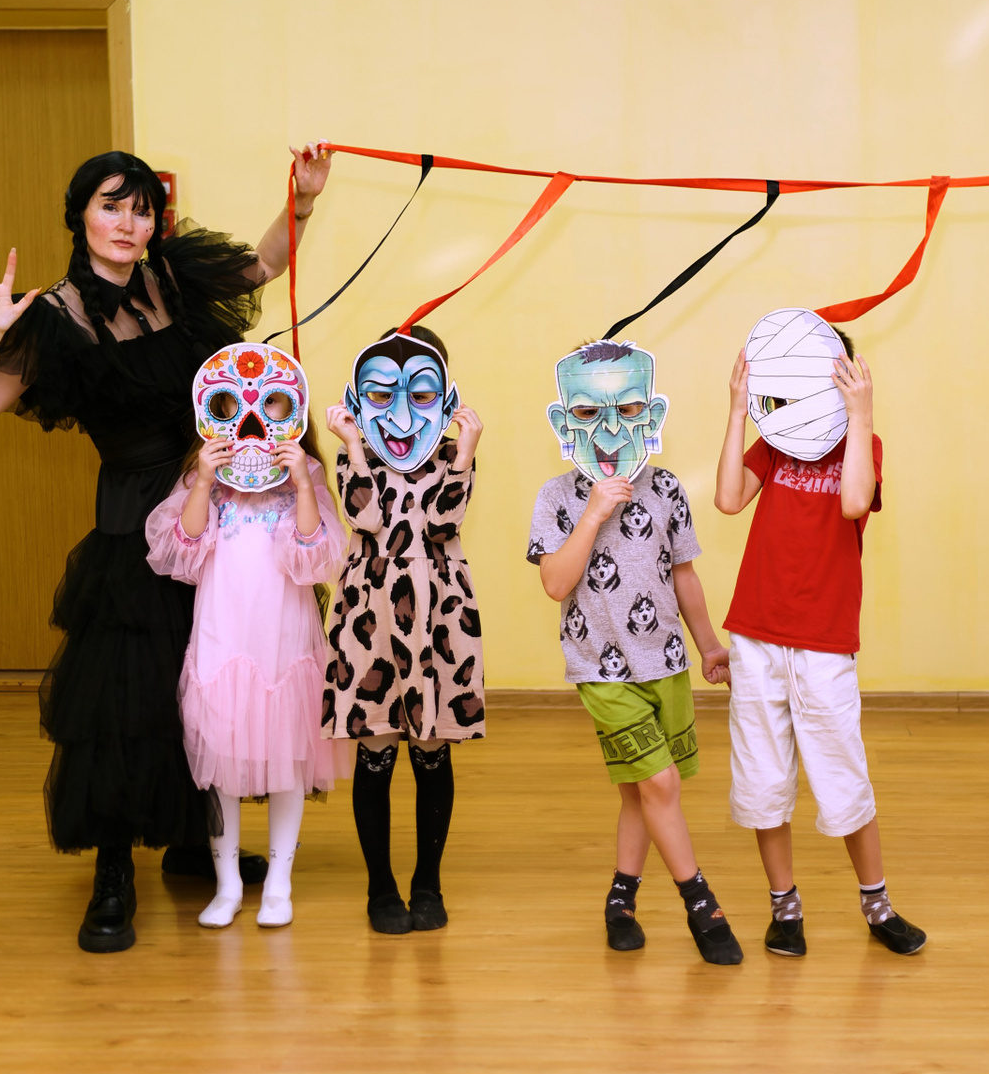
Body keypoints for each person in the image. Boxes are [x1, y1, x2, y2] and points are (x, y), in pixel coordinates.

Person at [0, 143, 332, 952]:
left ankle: (194, 840)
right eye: (111, 205)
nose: (128, 222)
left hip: (222, 512)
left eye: (141, 208)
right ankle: (114, 872)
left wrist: (300, 201)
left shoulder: (172, 282)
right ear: (79, 216)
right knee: (129, 701)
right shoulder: (52, 317)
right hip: (132, 524)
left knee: (212, 681)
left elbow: (263, 264)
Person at [714, 329, 927, 957]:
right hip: (756, 632)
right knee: (763, 778)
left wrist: (862, 415)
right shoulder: (774, 445)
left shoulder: (864, 443)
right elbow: (727, 499)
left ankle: (877, 904)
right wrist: (738, 408)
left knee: (842, 771)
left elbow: (855, 501)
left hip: (824, 638)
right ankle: (785, 907)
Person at [527, 340, 740, 964]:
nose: (610, 428)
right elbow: (555, 583)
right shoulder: (556, 497)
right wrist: (593, 515)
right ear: (565, 420)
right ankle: (702, 906)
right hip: (601, 668)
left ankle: (620, 899)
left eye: (627, 409)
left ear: (652, 414)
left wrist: (708, 646)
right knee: (660, 782)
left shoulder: (666, 488)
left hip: (665, 660)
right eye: (588, 412)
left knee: (640, 792)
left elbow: (684, 575)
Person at [145, 405, 344, 929]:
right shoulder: (209, 476)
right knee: (220, 759)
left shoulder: (303, 473)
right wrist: (203, 479)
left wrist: (302, 483)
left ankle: (279, 882)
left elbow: (313, 556)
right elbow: (183, 548)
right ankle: (227, 883)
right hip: (222, 634)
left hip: (282, 639)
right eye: (237, 403)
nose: (254, 413)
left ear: (292, 407)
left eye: (271, 401)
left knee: (287, 759)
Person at [323, 326, 485, 936]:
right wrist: (353, 444)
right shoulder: (357, 452)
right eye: (382, 394)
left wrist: (465, 452)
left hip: (440, 610)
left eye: (420, 395)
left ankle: (428, 883)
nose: (400, 411)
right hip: (370, 611)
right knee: (376, 746)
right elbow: (366, 517)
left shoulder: (449, 454)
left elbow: (442, 525)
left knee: (431, 747)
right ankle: (380, 886)